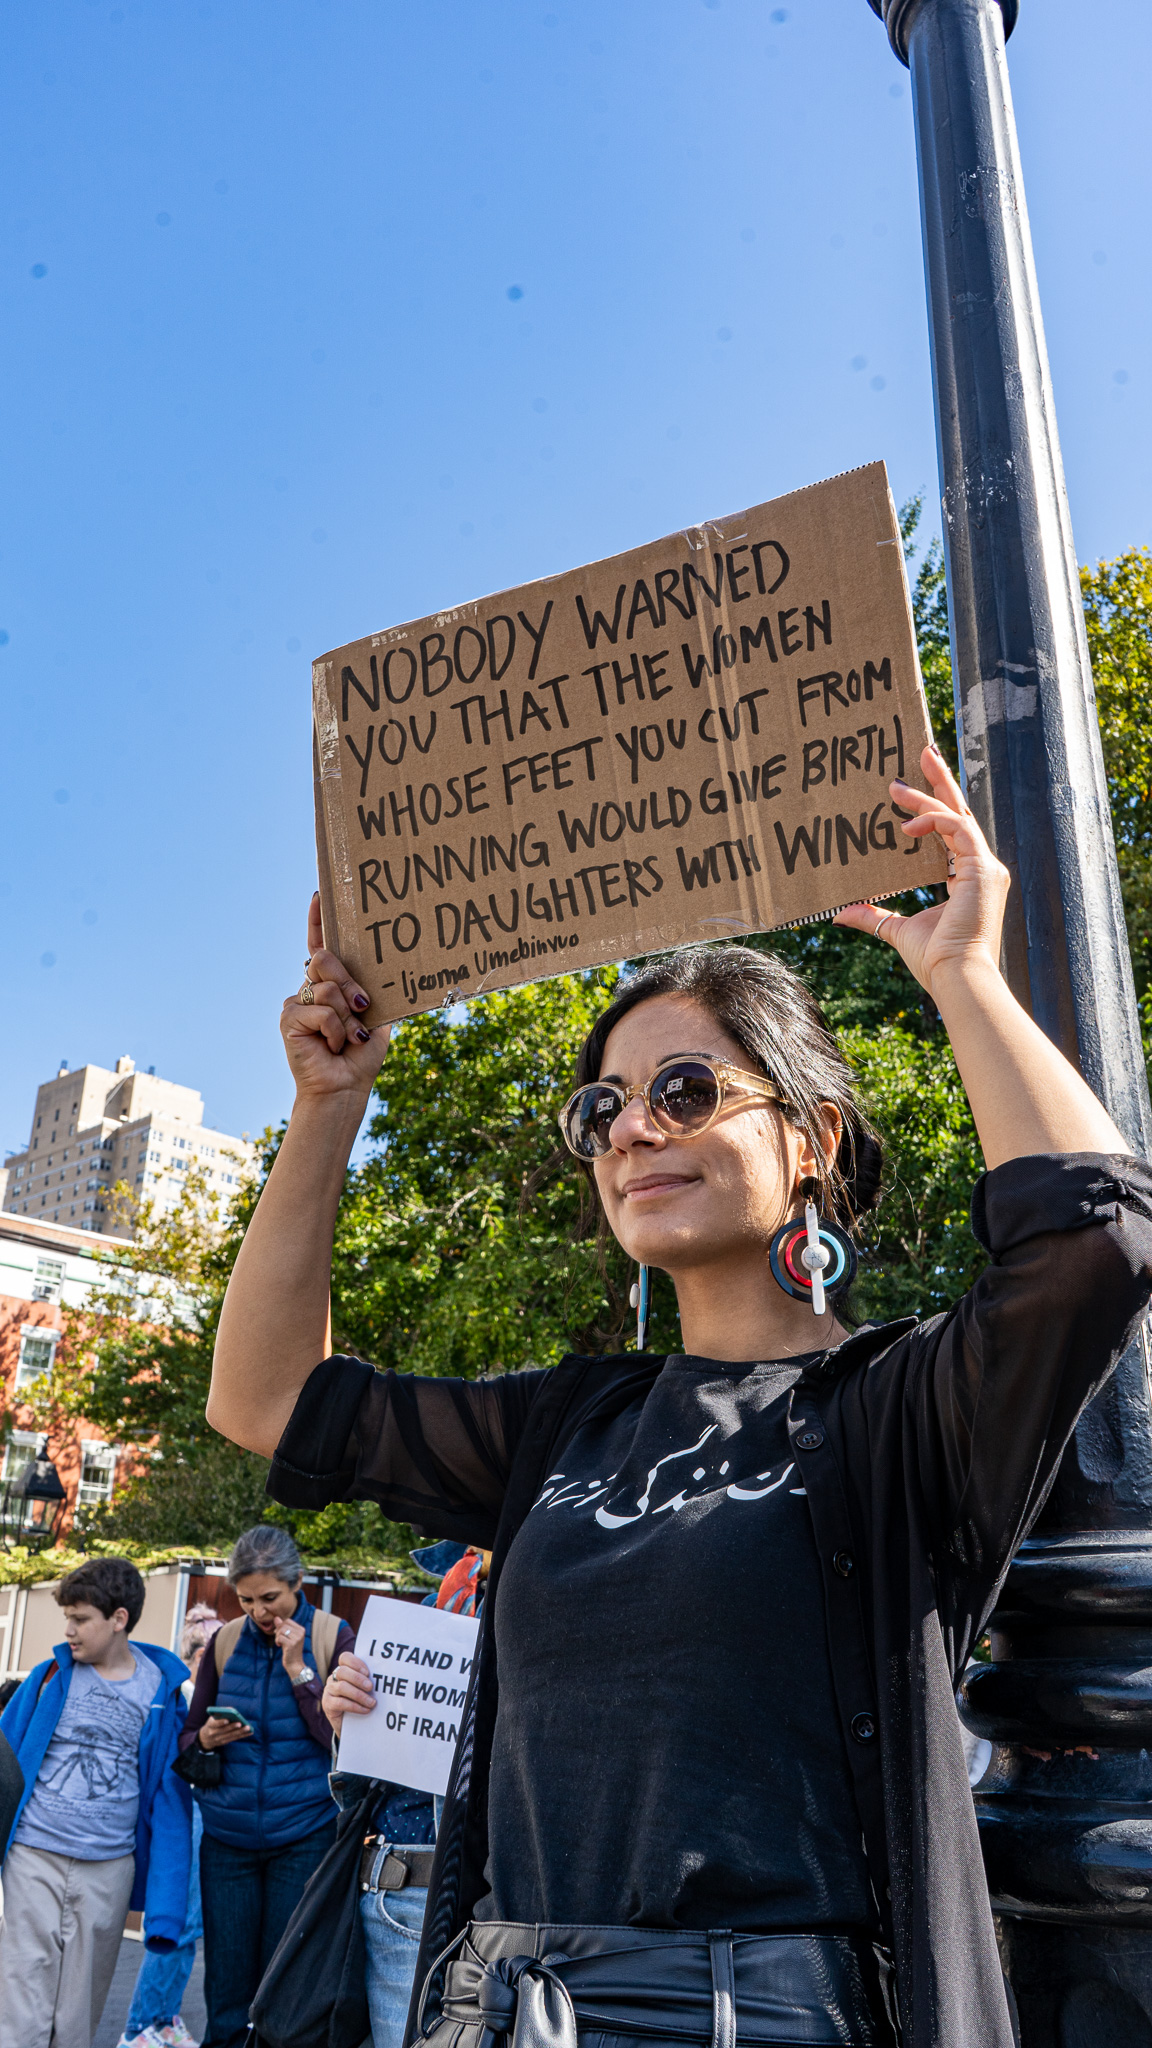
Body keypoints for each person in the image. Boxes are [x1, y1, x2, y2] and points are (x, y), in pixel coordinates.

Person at [206, 749, 1152, 2048]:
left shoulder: (895, 1409)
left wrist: (965, 978)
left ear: (809, 1140)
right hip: (498, 2009)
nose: (634, 1128)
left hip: (765, 2015)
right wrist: (328, 1105)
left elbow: (1094, 1244)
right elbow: (266, 1399)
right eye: (605, 1105)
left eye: (685, 1089)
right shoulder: (564, 1424)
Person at [0, 1557, 192, 2048]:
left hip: (107, 1869)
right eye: (67, 1616)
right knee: (21, 2005)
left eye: (80, 1618)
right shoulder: (47, 1679)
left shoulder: (160, 1692)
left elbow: (170, 1801)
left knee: (76, 2016)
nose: (68, 1629)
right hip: (32, 1856)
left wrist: (166, 1910)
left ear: (119, 1618)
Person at [178, 1527, 350, 2048]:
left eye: (270, 1598)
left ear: (297, 1582)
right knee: (226, 1992)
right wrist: (206, 1737)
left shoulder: (332, 1636)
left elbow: (342, 1739)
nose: (259, 1612)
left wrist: (298, 1670)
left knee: (283, 1990)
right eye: (247, 1599)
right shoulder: (224, 1641)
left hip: (303, 1836)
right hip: (227, 1841)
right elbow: (188, 1736)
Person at [322, 1542, 484, 2048]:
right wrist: (347, 1728)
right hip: (406, 1891)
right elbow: (367, 1797)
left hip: (510, 1904)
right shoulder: (429, 1619)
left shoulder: (569, 1611)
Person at [117, 1603, 223, 2048]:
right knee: (180, 1923)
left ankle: (162, 2019)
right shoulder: (183, 1703)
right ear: (201, 1657)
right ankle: (142, 2026)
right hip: (185, 1817)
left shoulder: (198, 1701)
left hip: (198, 1815)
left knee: (189, 1925)